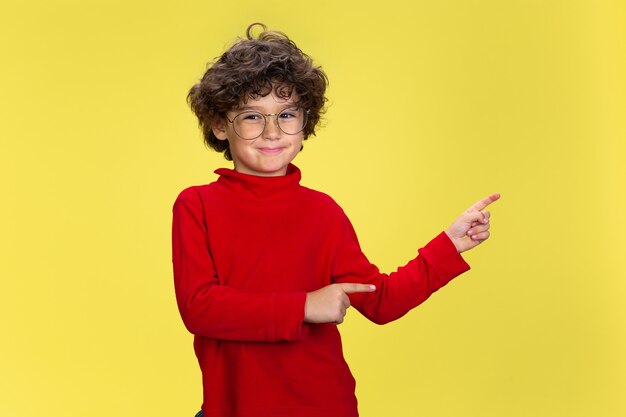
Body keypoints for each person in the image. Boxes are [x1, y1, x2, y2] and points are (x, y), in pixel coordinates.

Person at [172, 23, 499, 417]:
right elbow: (201, 309)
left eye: (286, 114)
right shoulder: (197, 206)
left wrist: (449, 244)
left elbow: (380, 301)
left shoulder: (323, 212)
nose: (272, 131)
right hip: (234, 406)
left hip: (322, 406)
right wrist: (305, 306)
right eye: (252, 117)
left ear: (304, 122)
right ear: (221, 125)